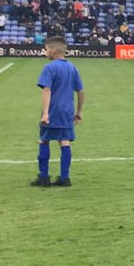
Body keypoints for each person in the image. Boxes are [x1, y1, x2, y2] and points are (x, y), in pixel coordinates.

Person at [32, 36, 84, 188]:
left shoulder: (49, 68)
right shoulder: (72, 67)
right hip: (67, 111)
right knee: (64, 141)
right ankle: (65, 178)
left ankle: (43, 177)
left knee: (44, 140)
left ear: (53, 50)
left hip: (53, 110)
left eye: (46, 49)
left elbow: (47, 90)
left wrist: (46, 113)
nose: (45, 52)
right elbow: (80, 91)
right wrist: (79, 111)